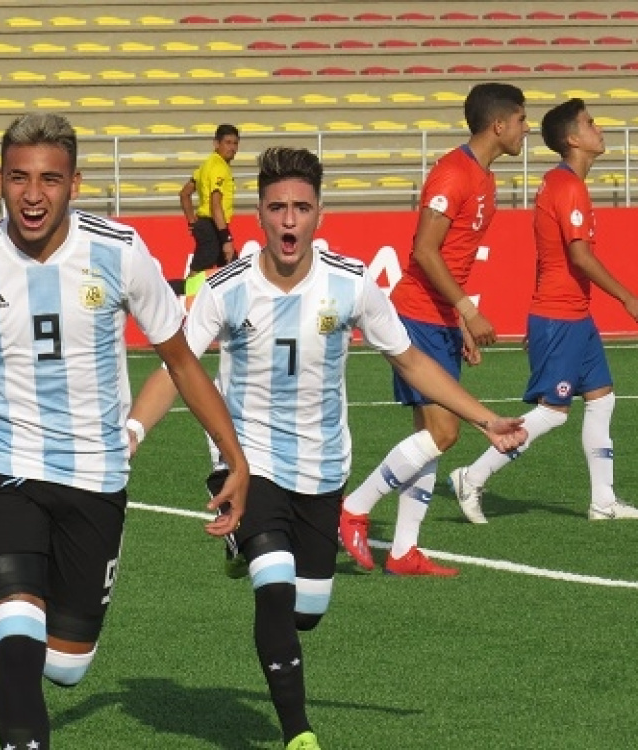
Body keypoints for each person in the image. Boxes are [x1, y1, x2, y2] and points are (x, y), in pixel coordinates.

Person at [127, 147, 527, 750]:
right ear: (259, 213)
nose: (289, 220)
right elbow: (175, 367)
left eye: (301, 207)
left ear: (319, 213)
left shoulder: (351, 283)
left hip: (321, 466)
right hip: (248, 462)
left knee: (307, 610)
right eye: (277, 208)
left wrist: (484, 419)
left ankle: (245, 551)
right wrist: (131, 434)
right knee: (274, 583)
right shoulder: (225, 289)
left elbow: (411, 360)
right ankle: (299, 734)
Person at [0, 112, 249, 750]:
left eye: (49, 179)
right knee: (15, 641)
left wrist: (235, 460)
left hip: (94, 480)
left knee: (67, 665)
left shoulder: (119, 252)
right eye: (18, 177)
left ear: (74, 184)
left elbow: (182, 361)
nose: (32, 194)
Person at [339, 82, 529, 576]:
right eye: (522, 120)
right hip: (417, 315)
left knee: (429, 435)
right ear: (499, 124)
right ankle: (354, 508)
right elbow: (424, 250)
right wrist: (467, 309)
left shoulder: (484, 179)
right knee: (445, 432)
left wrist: (457, 320)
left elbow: (452, 258)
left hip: (439, 317)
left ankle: (404, 550)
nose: (526, 130)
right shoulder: (453, 173)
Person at [450, 99, 638, 523]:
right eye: (590, 123)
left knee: (602, 399)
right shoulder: (568, 186)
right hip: (561, 317)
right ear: (573, 139)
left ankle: (603, 501)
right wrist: (627, 298)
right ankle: (472, 476)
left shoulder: (560, 183)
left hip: (572, 316)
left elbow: (550, 255)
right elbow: (579, 256)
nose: (599, 129)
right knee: (552, 413)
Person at [171, 123, 240, 296]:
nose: (232, 148)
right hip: (213, 228)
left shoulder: (206, 165)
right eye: (228, 143)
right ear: (216, 143)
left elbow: (185, 193)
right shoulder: (219, 167)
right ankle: (165, 291)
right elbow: (216, 204)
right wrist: (226, 238)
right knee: (196, 281)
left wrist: (191, 221)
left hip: (207, 225)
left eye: (235, 143)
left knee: (231, 273)